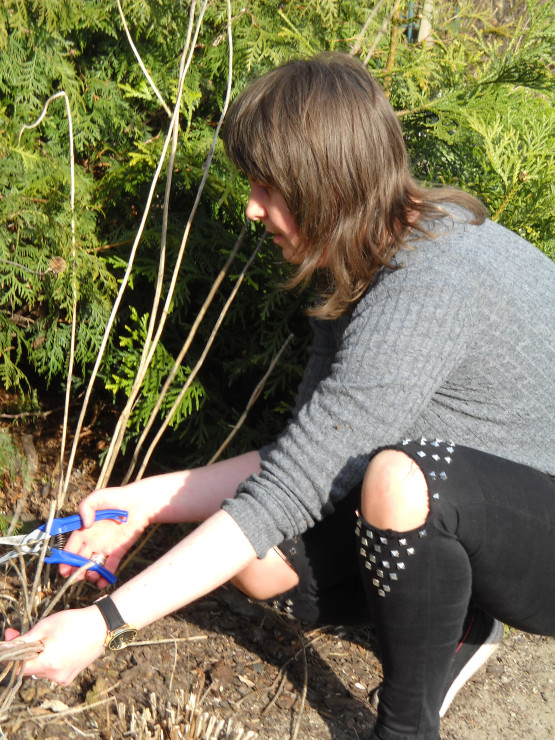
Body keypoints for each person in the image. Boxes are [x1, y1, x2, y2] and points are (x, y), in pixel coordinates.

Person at [5, 52, 555, 740]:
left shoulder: (425, 290)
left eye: (268, 186)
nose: (250, 206)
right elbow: (307, 459)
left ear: (325, 182)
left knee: (403, 480)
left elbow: (295, 487)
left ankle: (406, 725)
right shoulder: (364, 254)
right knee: (260, 567)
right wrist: (145, 500)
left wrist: (104, 624)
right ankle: (459, 619)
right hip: (491, 504)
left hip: (542, 535)